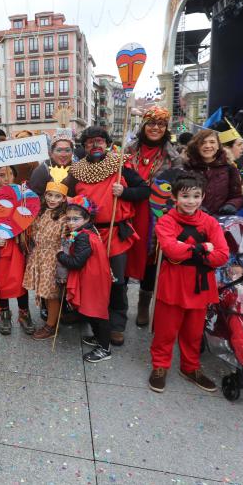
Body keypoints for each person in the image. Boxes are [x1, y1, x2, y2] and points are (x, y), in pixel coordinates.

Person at [65, 127, 150, 347]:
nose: (95, 146)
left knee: (117, 281)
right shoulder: (77, 170)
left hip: (114, 233)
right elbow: (63, 193)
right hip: (87, 235)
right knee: (90, 280)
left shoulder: (120, 164)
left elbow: (144, 190)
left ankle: (116, 325)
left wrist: (125, 192)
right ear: (84, 146)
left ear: (107, 143)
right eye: (91, 142)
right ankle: (89, 317)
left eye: (100, 141)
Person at [149, 173, 229, 393]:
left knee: (193, 333)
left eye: (196, 196)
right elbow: (170, 249)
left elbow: (222, 255)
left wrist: (185, 252)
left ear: (202, 197)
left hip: (199, 284)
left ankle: (190, 367)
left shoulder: (210, 223)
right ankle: (160, 366)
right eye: (185, 196)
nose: (191, 201)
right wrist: (203, 249)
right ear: (175, 197)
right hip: (173, 283)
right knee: (165, 331)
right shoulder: (166, 221)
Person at [124, 107, 183, 327]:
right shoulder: (128, 150)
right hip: (128, 209)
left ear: (166, 128)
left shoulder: (174, 157)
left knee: (150, 260)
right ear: (143, 126)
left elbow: (176, 187)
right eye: (151, 123)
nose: (155, 128)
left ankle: (142, 306)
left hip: (155, 214)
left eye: (160, 124)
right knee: (124, 255)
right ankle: (120, 307)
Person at [57, 195, 112, 363]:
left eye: (76, 219)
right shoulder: (87, 230)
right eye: (69, 219)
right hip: (94, 277)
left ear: (87, 218)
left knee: (96, 313)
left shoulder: (82, 237)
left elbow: (76, 262)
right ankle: (99, 338)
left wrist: (59, 255)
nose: (71, 222)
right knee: (93, 311)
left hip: (93, 280)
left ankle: (105, 348)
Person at [23, 178, 68, 339]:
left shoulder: (64, 217)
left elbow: (65, 241)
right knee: (44, 291)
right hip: (39, 255)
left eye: (57, 196)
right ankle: (52, 316)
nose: (52, 199)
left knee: (51, 294)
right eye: (49, 195)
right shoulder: (41, 212)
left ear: (63, 198)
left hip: (53, 259)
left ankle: (50, 326)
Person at [0, 165, 30, 335]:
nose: (6, 178)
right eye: (1, 175)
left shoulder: (24, 196)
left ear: (15, 176)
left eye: (9, 174)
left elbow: (29, 216)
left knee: (21, 281)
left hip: (18, 245)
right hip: (1, 247)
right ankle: (4, 313)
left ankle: (24, 313)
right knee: (1, 282)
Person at [183, 129, 242, 216]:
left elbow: (237, 196)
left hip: (220, 221)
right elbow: (178, 195)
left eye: (212, 142)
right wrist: (195, 208)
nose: (208, 146)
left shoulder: (229, 167)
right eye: (203, 142)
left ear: (218, 145)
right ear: (196, 146)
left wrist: (231, 205)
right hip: (192, 219)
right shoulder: (187, 167)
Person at [28, 129, 75, 197]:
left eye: (67, 150)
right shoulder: (41, 171)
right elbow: (34, 198)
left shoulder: (77, 170)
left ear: (72, 152)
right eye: (59, 150)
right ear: (51, 153)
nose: (63, 154)